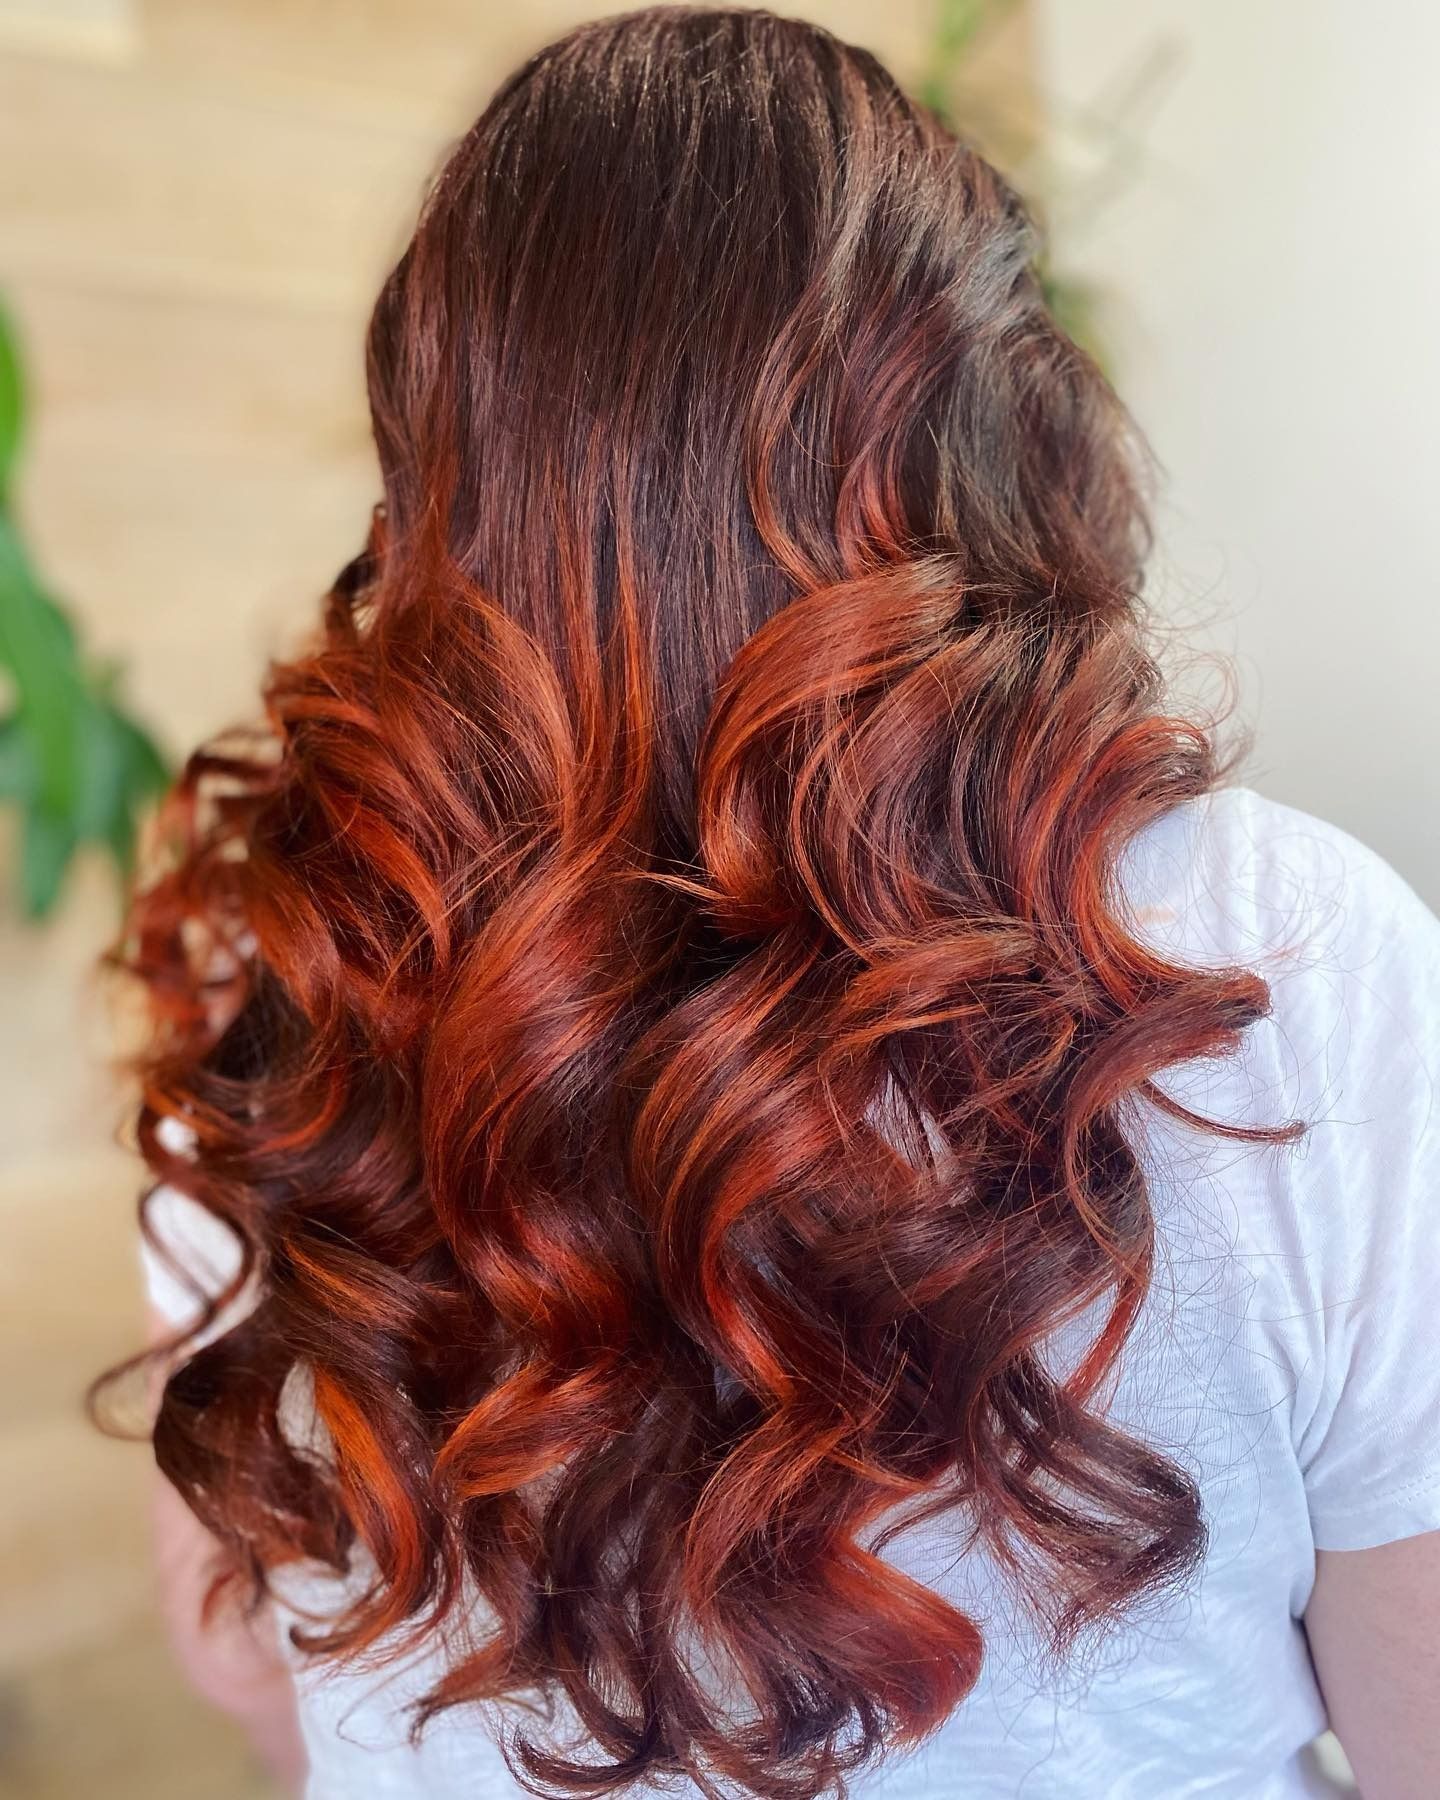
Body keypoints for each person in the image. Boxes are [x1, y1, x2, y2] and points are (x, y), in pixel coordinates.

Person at [104, 9, 1440, 1797]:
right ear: (993, 423)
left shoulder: (289, 977)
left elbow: (259, 1671)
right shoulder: (1288, 958)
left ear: (449, 470)